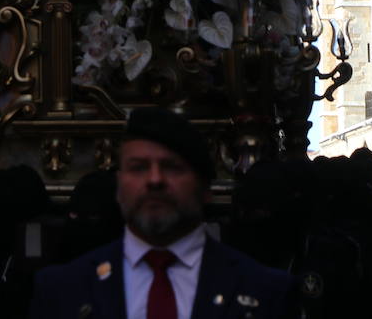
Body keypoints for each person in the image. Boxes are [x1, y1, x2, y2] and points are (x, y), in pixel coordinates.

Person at [30, 107, 296, 318]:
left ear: (205, 189)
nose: (155, 180)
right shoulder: (63, 291)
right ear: (119, 186)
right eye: (138, 167)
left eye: (172, 167)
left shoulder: (263, 291)